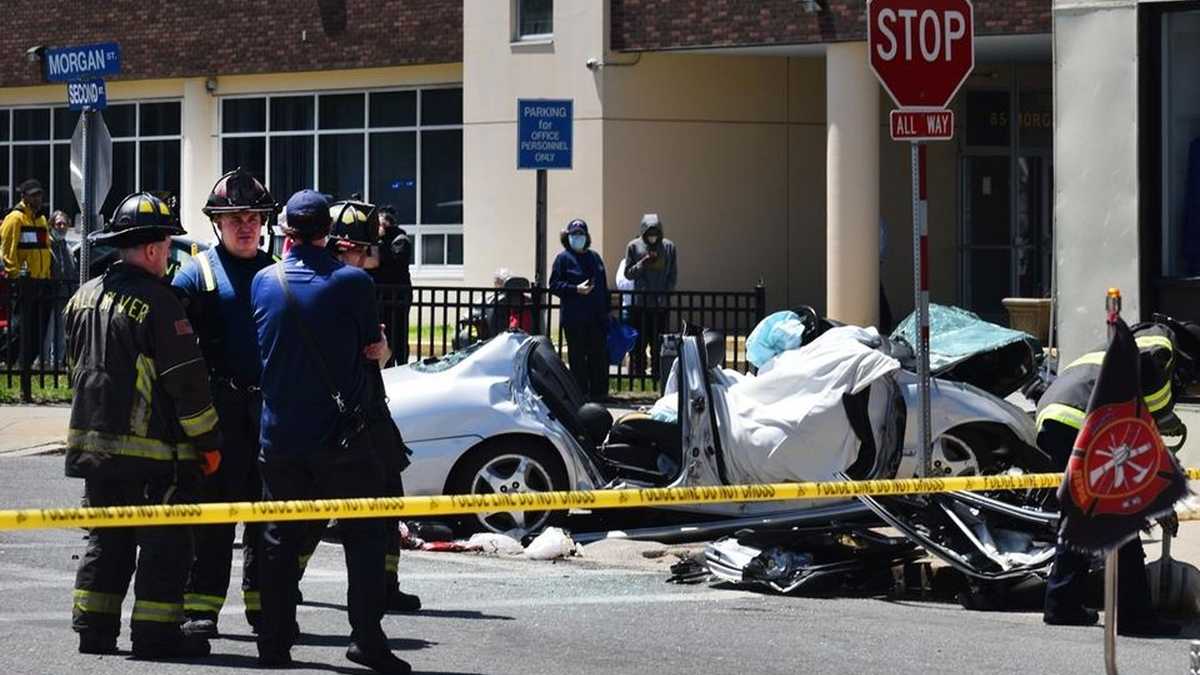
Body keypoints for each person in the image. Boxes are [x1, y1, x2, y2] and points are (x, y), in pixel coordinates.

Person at [251, 189, 410, 673]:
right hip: (343, 438)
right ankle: (366, 639)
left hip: (280, 438)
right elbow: (372, 348)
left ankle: (274, 644)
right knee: (363, 539)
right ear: (329, 235)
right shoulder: (352, 284)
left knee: (278, 543)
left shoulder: (264, 281)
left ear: (284, 233)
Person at [64, 192, 222, 659]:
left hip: (92, 450)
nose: (170, 253)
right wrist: (208, 442)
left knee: (107, 539)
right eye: (168, 244)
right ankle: (156, 635)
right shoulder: (161, 302)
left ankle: (93, 631)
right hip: (151, 456)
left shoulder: (83, 296)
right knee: (165, 542)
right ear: (153, 249)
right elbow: (186, 387)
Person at [294, 199, 421, 615]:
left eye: (360, 252)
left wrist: (381, 351)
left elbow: (375, 352)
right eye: (354, 251)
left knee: (388, 497)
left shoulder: (343, 284)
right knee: (316, 508)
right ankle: (287, 581)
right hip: (335, 416)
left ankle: (386, 583)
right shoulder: (341, 285)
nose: (359, 259)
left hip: (368, 409)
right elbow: (366, 351)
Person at [172, 168, 279, 638]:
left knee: (267, 519)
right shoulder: (196, 273)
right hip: (218, 414)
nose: (245, 225)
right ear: (216, 223)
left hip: (270, 416)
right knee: (214, 518)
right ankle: (201, 609)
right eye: (233, 216)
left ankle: (266, 608)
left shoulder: (279, 274)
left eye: (253, 216)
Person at [1037, 320, 1193, 637]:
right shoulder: (1161, 348)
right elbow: (1146, 408)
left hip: (1057, 417)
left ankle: (1062, 603)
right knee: (1123, 514)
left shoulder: (1137, 339)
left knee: (1086, 511)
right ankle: (1135, 617)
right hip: (1083, 421)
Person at [550, 218, 609, 401]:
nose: (578, 238)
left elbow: (603, 286)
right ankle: (580, 394)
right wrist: (576, 289)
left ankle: (599, 393)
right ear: (568, 237)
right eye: (574, 234)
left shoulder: (594, 257)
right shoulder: (563, 259)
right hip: (574, 319)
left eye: (581, 234)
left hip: (596, 317)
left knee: (598, 356)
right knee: (577, 358)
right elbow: (555, 285)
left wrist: (606, 311)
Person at [2, 179, 53, 375]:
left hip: (41, 282)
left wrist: (46, 276)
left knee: (36, 330)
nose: (38, 198)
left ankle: (25, 366)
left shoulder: (40, 219)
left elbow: (45, 250)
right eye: (33, 195)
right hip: (23, 283)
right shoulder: (15, 219)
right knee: (18, 330)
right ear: (23, 197)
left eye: (39, 194)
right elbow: (8, 252)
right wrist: (15, 277)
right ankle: (9, 363)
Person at [623, 213, 677, 381]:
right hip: (640, 304)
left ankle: (658, 375)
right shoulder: (633, 246)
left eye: (655, 231)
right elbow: (628, 274)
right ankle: (638, 376)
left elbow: (673, 275)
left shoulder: (668, 247)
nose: (652, 235)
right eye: (649, 231)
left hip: (660, 305)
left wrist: (664, 293)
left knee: (658, 343)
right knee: (639, 344)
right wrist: (642, 263)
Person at [368, 206, 412, 365]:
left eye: (380, 224)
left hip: (397, 296)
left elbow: (387, 262)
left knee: (398, 335)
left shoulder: (400, 240)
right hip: (382, 297)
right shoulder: (380, 241)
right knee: (384, 333)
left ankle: (401, 365)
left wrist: (377, 243)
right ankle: (387, 366)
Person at [44, 210, 78, 369]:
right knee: (48, 332)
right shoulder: (47, 245)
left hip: (66, 295)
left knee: (61, 332)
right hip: (50, 295)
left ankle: (57, 363)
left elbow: (72, 269)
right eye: (58, 223)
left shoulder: (67, 247)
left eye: (64, 223)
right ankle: (45, 364)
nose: (62, 226)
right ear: (51, 225)